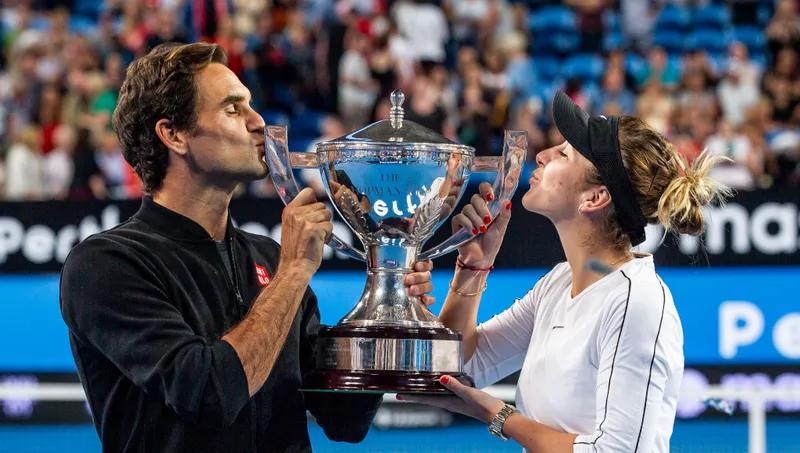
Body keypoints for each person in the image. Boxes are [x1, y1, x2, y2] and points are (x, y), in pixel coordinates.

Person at [59, 42, 437, 452]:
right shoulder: (106, 265)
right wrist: (292, 273)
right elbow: (209, 395)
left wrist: (386, 302)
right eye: (233, 108)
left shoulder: (269, 257)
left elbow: (345, 419)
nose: (258, 121)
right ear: (173, 134)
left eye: (251, 105)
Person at [401, 90, 733, 452]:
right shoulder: (558, 283)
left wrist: (499, 416)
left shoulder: (636, 302)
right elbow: (461, 367)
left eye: (562, 154)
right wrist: (473, 267)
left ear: (595, 198)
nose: (541, 155)